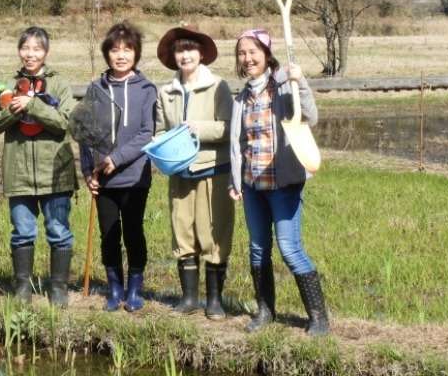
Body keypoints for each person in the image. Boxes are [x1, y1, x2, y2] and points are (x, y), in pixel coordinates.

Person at [228, 28, 330, 336]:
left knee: (289, 248)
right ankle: (265, 311)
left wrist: (301, 83)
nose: (247, 58)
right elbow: (237, 143)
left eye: (253, 51)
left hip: (283, 184)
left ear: (266, 53)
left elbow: (309, 117)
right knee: (258, 249)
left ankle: (318, 317)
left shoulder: (284, 86)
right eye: (242, 53)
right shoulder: (241, 98)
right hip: (252, 185)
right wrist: (235, 180)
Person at [0, 27, 77, 307]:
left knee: (58, 230)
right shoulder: (9, 85)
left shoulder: (59, 83)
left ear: (46, 52)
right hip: (19, 171)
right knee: (22, 230)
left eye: (37, 49)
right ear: (19, 51)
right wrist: (12, 109)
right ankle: (23, 285)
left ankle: (58, 286)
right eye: (26, 48)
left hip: (55, 173)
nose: (31, 54)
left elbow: (65, 122)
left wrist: (33, 105)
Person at [154, 25, 234, 319]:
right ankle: (189, 298)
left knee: (214, 232)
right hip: (179, 173)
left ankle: (214, 300)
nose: (185, 55)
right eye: (179, 50)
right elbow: (160, 130)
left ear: (201, 54)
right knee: (182, 231)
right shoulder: (166, 92)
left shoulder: (218, 86)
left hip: (214, 170)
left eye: (190, 49)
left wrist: (198, 129)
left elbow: (229, 127)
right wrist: (159, 147)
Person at [80, 22, 157, 312]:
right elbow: (84, 132)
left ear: (136, 54)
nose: (121, 55)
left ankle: (135, 288)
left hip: (135, 175)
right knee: (109, 233)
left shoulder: (146, 89)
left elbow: (146, 133)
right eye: (115, 50)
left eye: (127, 50)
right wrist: (88, 172)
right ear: (107, 54)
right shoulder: (95, 89)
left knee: (133, 232)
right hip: (104, 180)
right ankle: (114, 287)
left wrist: (117, 158)